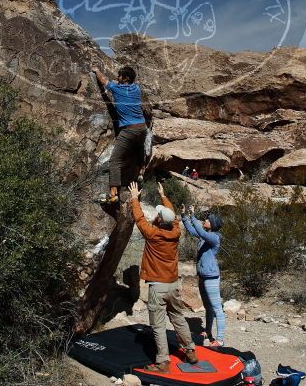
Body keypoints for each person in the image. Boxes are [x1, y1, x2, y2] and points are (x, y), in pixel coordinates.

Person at [128, 181, 198, 373]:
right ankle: (190, 351)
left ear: (159, 220)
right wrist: (163, 195)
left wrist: (134, 198)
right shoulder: (175, 232)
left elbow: (139, 218)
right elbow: (172, 214)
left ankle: (163, 363)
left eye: (158, 214)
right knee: (178, 317)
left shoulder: (152, 234)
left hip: (157, 286)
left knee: (158, 325)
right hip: (173, 284)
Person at [91, 66, 151, 203]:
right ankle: (141, 170)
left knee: (115, 161)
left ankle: (113, 195)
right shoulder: (136, 89)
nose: (117, 78)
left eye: (120, 76)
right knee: (137, 149)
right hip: (142, 128)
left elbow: (103, 80)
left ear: (125, 78)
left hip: (129, 130)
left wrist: (96, 70)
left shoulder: (117, 88)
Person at [182, 206, 225, 347]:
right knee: (208, 307)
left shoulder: (214, 237)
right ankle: (207, 331)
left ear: (212, 224)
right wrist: (184, 216)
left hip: (211, 277)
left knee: (217, 308)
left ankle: (219, 339)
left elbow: (199, 231)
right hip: (202, 275)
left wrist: (193, 216)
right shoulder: (207, 235)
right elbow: (192, 230)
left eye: (207, 220)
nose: (205, 221)